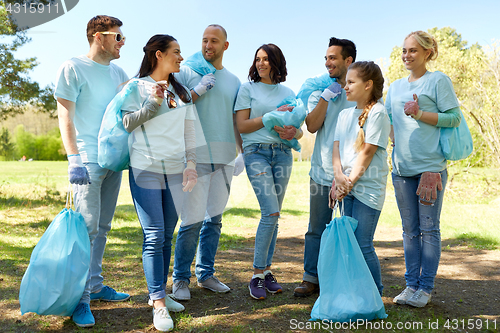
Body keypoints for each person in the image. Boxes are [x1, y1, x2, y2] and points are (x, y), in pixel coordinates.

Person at [54, 15, 130, 327]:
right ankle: (80, 299)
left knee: (104, 226)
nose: (122, 43)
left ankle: (95, 285)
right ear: (99, 37)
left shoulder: (119, 72)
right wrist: (74, 158)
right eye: (118, 37)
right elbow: (65, 116)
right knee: (87, 229)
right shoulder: (72, 67)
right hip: (87, 160)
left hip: (114, 159)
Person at [121, 34, 197, 332]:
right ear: (158, 54)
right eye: (176, 52)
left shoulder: (182, 93)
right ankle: (159, 303)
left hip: (177, 171)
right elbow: (127, 123)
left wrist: (191, 165)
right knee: (153, 234)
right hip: (146, 168)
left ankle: (161, 292)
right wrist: (152, 102)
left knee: (166, 234)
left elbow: (189, 131)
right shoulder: (136, 87)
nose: (181, 57)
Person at [387, 31, 461, 308]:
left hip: (430, 170)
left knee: (429, 230)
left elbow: (454, 118)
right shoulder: (394, 87)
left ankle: (425, 288)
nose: (407, 55)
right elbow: (389, 120)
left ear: (428, 52)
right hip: (401, 170)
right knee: (409, 230)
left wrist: (420, 114)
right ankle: (410, 286)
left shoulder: (437, 80)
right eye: (404, 50)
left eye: (413, 51)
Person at [171, 24, 242, 300]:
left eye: (214, 41)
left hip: (224, 160)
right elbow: (175, 103)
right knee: (191, 220)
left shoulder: (234, 81)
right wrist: (197, 88)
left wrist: (242, 151)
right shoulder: (187, 71)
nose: (207, 46)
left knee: (214, 219)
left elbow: (236, 119)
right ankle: (180, 279)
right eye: (204, 40)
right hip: (196, 158)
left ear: (225, 46)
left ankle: (206, 273)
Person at [235, 43, 302, 300]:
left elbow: (299, 129)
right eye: (258, 59)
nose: (261, 63)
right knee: (270, 211)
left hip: (283, 154)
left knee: (275, 215)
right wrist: (271, 117)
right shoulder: (247, 88)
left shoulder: (288, 91)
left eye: (266, 59)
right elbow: (241, 125)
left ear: (276, 62)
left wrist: (292, 132)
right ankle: (256, 274)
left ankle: (267, 272)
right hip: (257, 153)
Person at [294, 38, 357, 297]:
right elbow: (312, 125)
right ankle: (311, 277)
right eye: (326, 58)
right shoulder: (319, 90)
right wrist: (325, 98)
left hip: (352, 174)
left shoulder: (359, 90)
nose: (328, 63)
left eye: (333, 58)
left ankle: (347, 279)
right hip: (321, 172)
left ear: (348, 61)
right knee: (316, 228)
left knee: (352, 229)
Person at [332, 61, 390, 296]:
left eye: (351, 82)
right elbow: (335, 149)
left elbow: (367, 153)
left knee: (362, 243)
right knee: (350, 244)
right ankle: (356, 293)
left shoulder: (378, 112)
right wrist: (338, 179)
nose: (346, 87)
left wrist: (347, 184)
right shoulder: (344, 114)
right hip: (346, 186)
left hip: (367, 188)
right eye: (346, 82)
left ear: (368, 85)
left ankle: (374, 294)